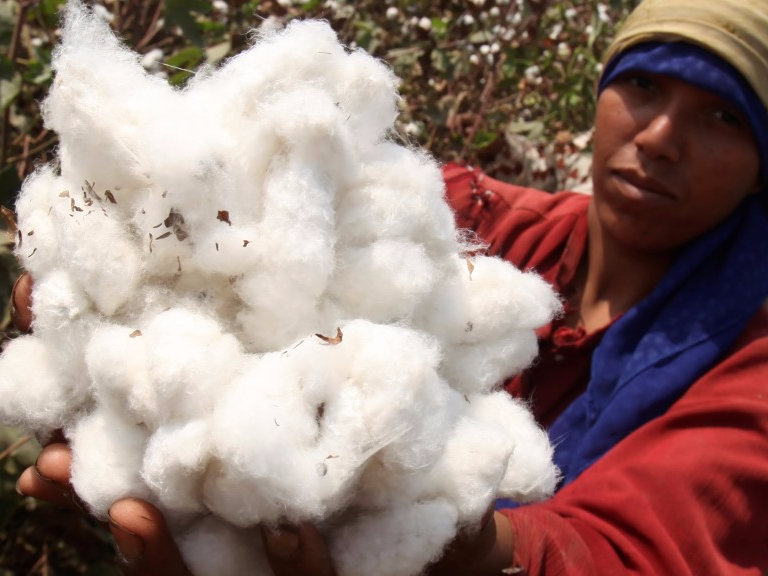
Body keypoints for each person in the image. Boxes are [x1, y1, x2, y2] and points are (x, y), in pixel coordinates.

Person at [12, 0, 768, 574]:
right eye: (641, 83)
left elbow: (650, 544)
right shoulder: (484, 223)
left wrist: (470, 541)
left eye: (721, 116)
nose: (661, 137)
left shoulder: (752, 359)